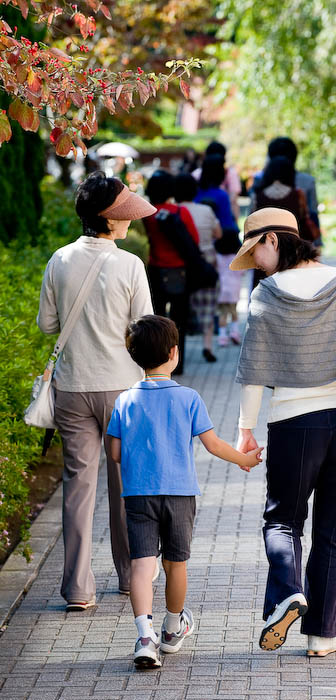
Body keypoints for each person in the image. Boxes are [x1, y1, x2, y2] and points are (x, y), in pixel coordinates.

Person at [230, 207, 336, 657]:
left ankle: (289, 591)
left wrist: (245, 430)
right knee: (334, 531)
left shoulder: (268, 294)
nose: (254, 261)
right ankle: (322, 636)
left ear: (273, 240)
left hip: (294, 422)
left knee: (282, 520)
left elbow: (254, 369)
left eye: (255, 251)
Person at [107, 315, 263, 667]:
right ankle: (173, 628)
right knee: (176, 565)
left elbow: (114, 453)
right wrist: (245, 459)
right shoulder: (189, 398)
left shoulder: (124, 400)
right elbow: (213, 444)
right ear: (175, 353)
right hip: (180, 496)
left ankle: (144, 638)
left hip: (138, 495)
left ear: (134, 357)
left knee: (141, 567)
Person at [37, 171, 156, 610]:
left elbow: (48, 326)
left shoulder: (59, 260)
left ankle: (77, 590)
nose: (130, 221)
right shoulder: (129, 265)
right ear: (109, 219)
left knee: (78, 487)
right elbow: (144, 328)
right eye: (124, 214)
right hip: (123, 390)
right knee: (127, 484)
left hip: (71, 387)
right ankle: (129, 577)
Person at [143, 170, 200, 375]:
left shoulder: (148, 214)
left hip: (156, 271)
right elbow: (194, 240)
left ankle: (157, 363)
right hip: (179, 273)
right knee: (178, 321)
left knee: (157, 320)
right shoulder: (180, 212)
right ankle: (178, 364)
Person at [195, 156, 243, 347]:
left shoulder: (198, 194)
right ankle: (228, 331)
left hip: (202, 248)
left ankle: (215, 330)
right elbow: (228, 223)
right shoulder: (222, 196)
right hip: (225, 246)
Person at [173, 173, 222, 363]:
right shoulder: (206, 210)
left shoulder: (173, 210)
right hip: (206, 263)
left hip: (181, 265)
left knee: (180, 310)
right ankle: (207, 346)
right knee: (208, 308)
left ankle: (177, 350)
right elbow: (218, 233)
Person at [252, 136, 319, 223]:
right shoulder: (307, 181)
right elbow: (313, 215)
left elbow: (252, 218)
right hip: (298, 235)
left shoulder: (259, 180)